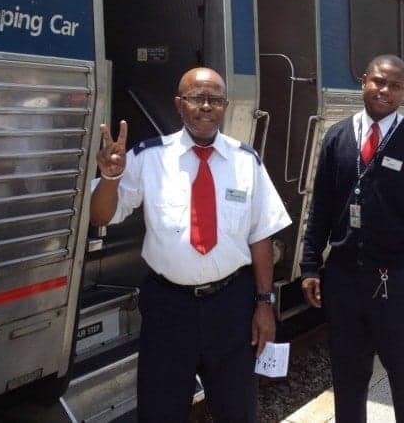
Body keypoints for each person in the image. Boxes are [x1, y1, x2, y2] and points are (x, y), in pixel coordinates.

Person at [90, 67, 291, 423]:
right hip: (169, 308)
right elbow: (102, 216)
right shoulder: (148, 158)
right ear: (179, 104)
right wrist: (109, 177)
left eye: (215, 99)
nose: (206, 107)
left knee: (238, 412)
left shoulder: (246, 162)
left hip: (232, 306)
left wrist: (264, 303)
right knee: (161, 411)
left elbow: (261, 236)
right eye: (197, 98)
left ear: (225, 106)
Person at [300, 55, 404, 423]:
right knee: (347, 377)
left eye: (395, 86)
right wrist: (310, 265)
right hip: (345, 280)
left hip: (396, 279)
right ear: (363, 80)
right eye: (378, 81)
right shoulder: (337, 136)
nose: (384, 90)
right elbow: (320, 207)